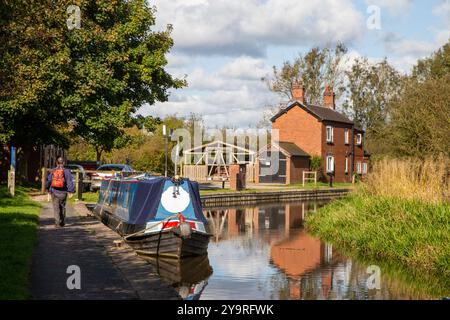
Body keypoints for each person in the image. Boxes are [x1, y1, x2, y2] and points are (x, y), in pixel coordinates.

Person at [46, 157, 74, 227]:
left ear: (56, 163)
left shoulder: (53, 170)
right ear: (63, 163)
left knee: (56, 208)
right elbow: (69, 181)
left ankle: (57, 223)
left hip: (54, 192)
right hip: (63, 192)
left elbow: (49, 180)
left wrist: (47, 189)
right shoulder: (67, 171)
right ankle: (62, 222)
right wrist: (71, 191)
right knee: (62, 207)